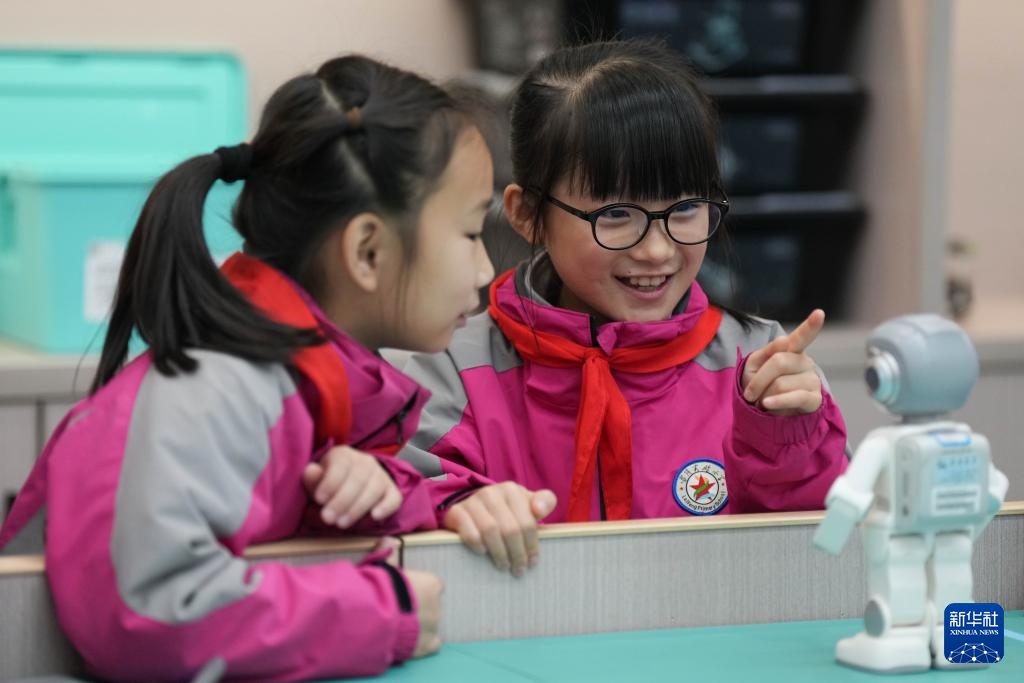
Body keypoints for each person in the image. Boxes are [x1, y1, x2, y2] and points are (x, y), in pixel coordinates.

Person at [0, 55, 495, 681]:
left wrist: (373, 496)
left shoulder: (309, 388)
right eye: (471, 233)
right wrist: (382, 612)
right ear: (368, 251)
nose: (485, 268)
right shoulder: (216, 391)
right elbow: (154, 613)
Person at [399, 39, 849, 579]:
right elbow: (397, 517)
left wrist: (788, 443)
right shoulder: (451, 369)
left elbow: (822, 560)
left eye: (685, 207)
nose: (656, 250)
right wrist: (455, 509)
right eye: (615, 214)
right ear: (527, 214)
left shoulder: (763, 367)